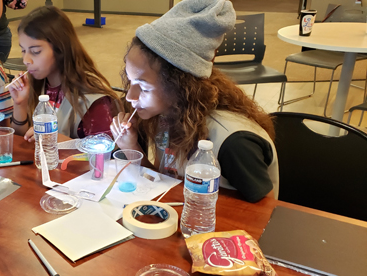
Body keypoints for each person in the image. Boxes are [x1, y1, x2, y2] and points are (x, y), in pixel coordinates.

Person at [110, 0, 278, 203]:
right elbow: (163, 184)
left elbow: (267, 211)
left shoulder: (233, 143)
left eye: (143, 87)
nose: (130, 96)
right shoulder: (166, 114)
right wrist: (131, 147)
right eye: (130, 81)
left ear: (180, 85)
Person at [8, 6, 122, 141]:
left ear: (60, 49)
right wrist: (19, 104)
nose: (26, 60)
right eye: (23, 50)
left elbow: (105, 156)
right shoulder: (36, 83)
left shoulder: (92, 100)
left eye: (36, 51)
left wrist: (65, 143)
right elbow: (21, 142)